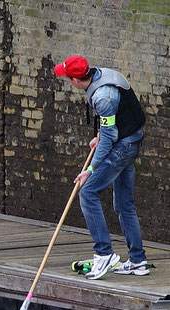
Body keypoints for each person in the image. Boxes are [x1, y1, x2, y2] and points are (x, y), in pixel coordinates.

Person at [54, 55, 149, 280]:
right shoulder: (102, 74)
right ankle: (138, 261)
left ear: (77, 80)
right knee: (124, 203)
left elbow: (110, 135)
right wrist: (100, 136)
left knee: (87, 191)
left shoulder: (103, 96)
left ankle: (103, 253)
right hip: (131, 139)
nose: (69, 82)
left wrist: (91, 170)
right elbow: (112, 124)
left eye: (68, 78)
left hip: (123, 147)